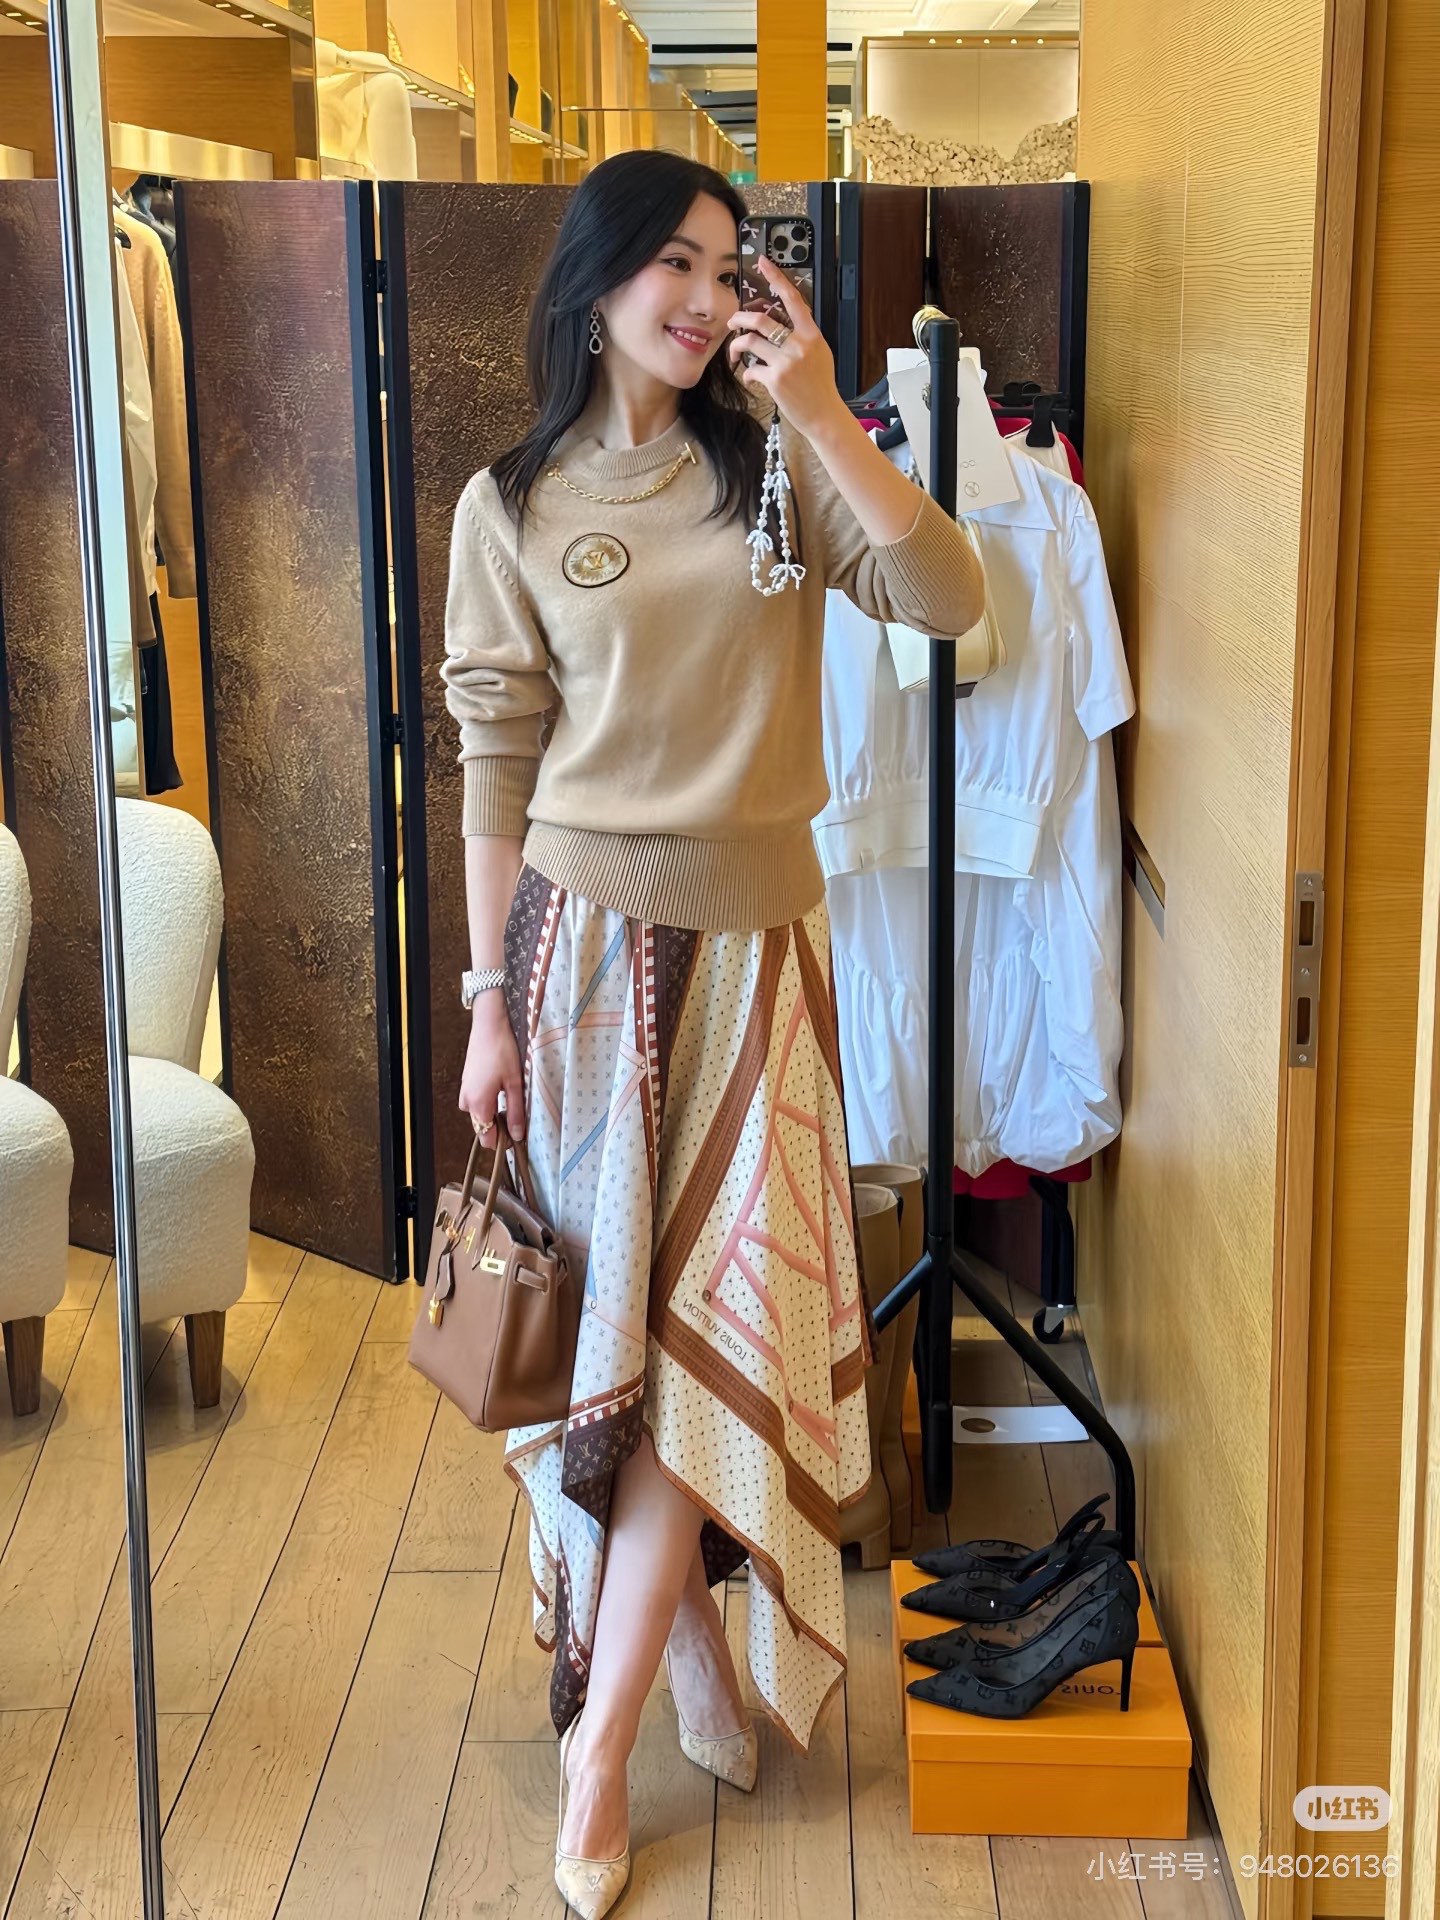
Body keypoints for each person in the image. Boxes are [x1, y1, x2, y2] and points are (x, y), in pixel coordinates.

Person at [441, 148, 983, 1917]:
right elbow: (496, 772)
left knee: (700, 1339)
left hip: (756, 960)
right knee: (610, 1336)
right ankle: (672, 1659)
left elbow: (952, 602)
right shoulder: (510, 504)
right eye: (670, 261)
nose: (702, 294)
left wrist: (822, 408)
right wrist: (487, 1004)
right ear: (596, 281)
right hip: (583, 961)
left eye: (727, 263)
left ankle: (598, 1751)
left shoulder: (775, 470)